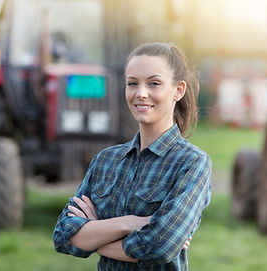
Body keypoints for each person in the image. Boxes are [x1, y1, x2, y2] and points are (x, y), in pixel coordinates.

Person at [53, 42, 211, 270]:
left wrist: (94, 234)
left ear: (178, 90)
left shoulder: (192, 163)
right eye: (132, 83)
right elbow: (63, 236)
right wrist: (129, 224)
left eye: (154, 83)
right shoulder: (105, 161)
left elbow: (160, 246)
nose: (141, 93)